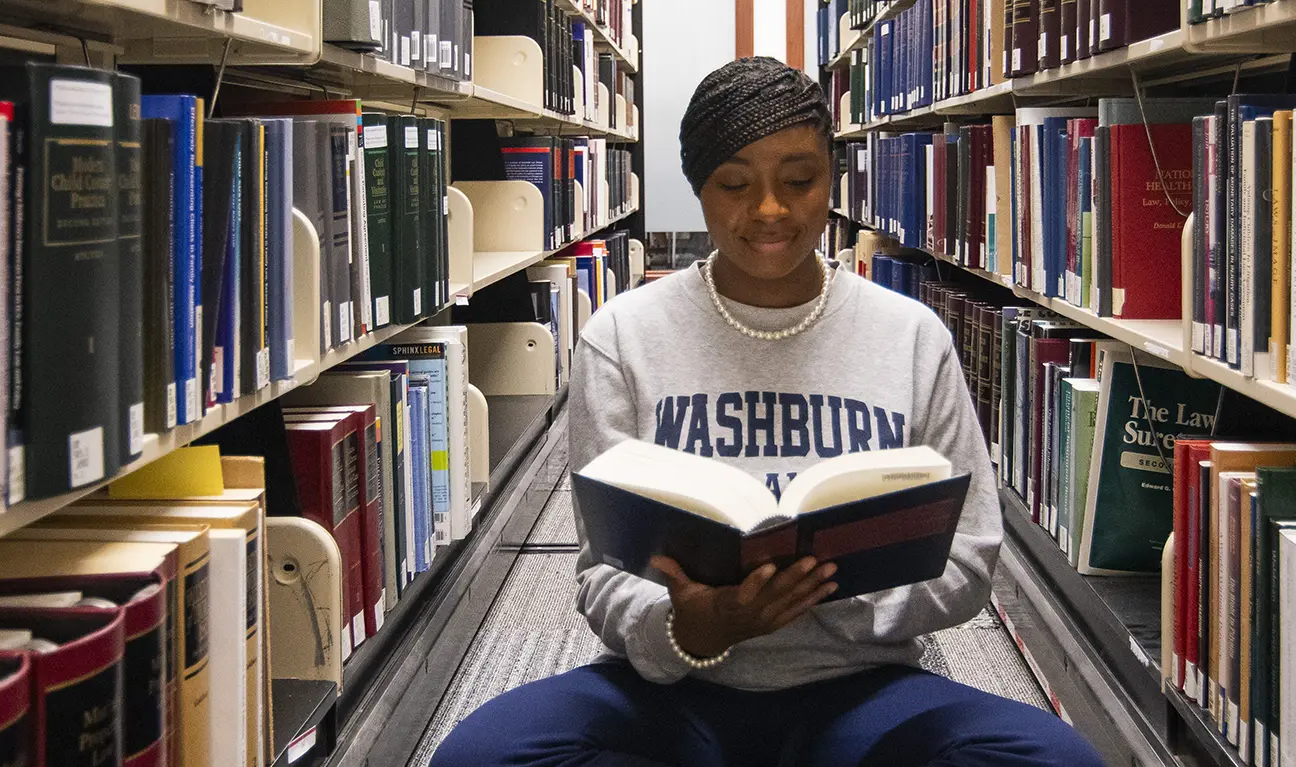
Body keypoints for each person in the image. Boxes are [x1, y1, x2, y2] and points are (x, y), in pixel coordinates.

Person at [432, 57, 1105, 767]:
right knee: (480, 755)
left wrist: (829, 598)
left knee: (1057, 759)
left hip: (861, 684)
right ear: (697, 188)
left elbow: (968, 554)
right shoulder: (622, 337)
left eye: (798, 180)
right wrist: (693, 624)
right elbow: (602, 572)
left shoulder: (909, 336)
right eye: (734, 183)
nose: (769, 211)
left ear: (833, 180)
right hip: (676, 686)